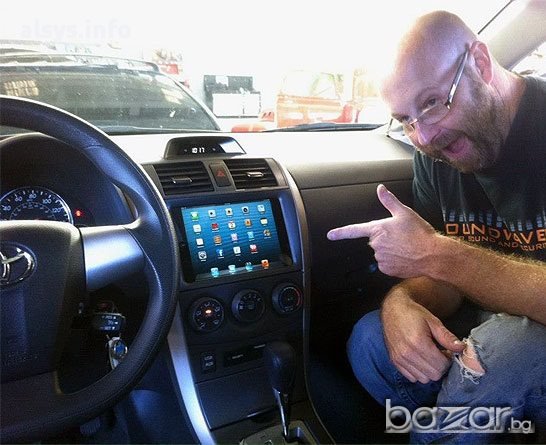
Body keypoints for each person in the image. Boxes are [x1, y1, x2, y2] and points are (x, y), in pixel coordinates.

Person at [327, 10, 546, 443]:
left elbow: (444, 258)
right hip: (490, 325)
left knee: (506, 353)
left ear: (480, 63)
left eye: (431, 103)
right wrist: (402, 301)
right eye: (406, 120)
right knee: (371, 339)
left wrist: (436, 252)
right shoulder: (437, 154)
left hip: (525, 339)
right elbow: (447, 279)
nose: (424, 138)